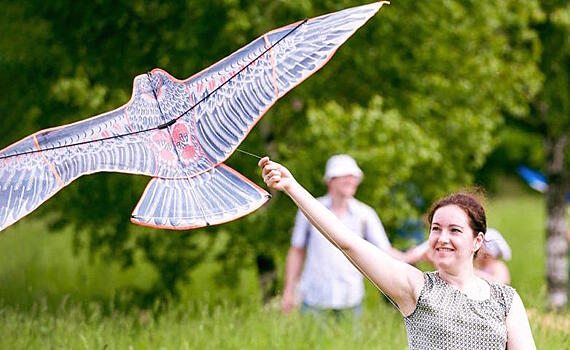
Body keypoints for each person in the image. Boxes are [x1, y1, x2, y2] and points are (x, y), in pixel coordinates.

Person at [259, 157, 535, 349]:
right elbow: (349, 242)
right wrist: (291, 187)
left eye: (455, 230)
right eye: (436, 229)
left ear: (478, 241)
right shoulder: (416, 288)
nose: (442, 238)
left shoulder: (505, 299)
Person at [281, 154, 408, 317]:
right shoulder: (309, 208)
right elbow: (297, 250)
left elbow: (385, 251)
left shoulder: (365, 214)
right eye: (345, 176)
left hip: (351, 301)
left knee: (349, 343)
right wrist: (289, 290)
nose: (351, 181)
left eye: (354, 177)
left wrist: (410, 256)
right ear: (330, 180)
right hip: (314, 301)